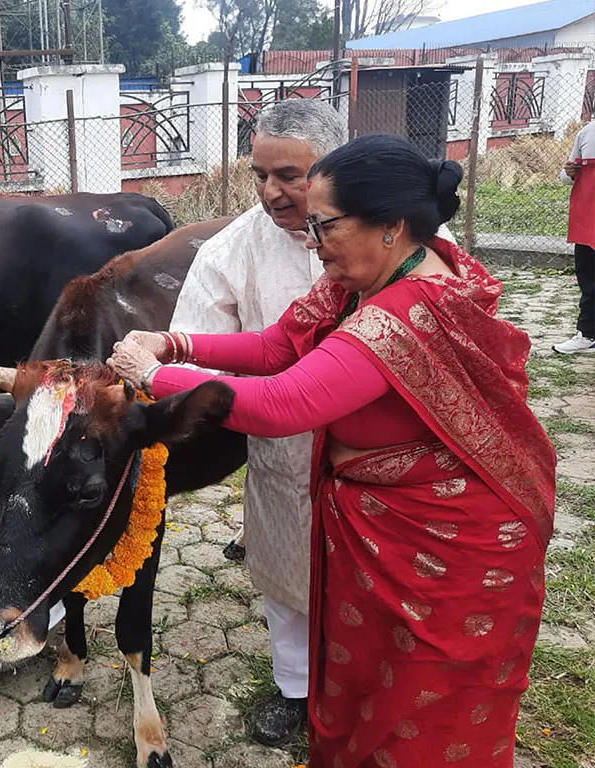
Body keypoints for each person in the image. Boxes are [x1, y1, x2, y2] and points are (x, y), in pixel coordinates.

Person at [110, 134, 556, 767]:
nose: (312, 246)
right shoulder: (359, 283)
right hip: (381, 528)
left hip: (444, 548)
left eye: (324, 228)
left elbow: (284, 403)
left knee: (427, 714)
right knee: (371, 687)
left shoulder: (404, 314)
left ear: (390, 226)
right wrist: (173, 342)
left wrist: (153, 377)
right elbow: (275, 347)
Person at [168, 101, 454, 746]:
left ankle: (377, 692)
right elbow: (262, 349)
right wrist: (174, 357)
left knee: (383, 593)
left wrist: (162, 368)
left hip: (398, 467)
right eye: (260, 174)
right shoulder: (231, 249)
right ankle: (297, 687)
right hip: (289, 453)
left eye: (290, 175)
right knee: (288, 574)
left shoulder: (415, 248)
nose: (272, 192)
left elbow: (289, 383)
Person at [553, 118, 595, 354]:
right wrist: (568, 172)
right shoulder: (587, 132)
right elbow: (565, 176)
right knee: (589, 277)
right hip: (588, 217)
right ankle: (588, 334)